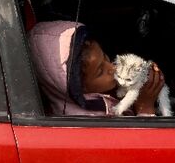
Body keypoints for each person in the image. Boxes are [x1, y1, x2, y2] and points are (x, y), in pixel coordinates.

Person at [28, 20, 165, 116]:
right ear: (81, 89)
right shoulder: (91, 120)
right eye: (100, 71)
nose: (112, 68)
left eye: (105, 57)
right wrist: (145, 107)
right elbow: (135, 149)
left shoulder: (94, 93)